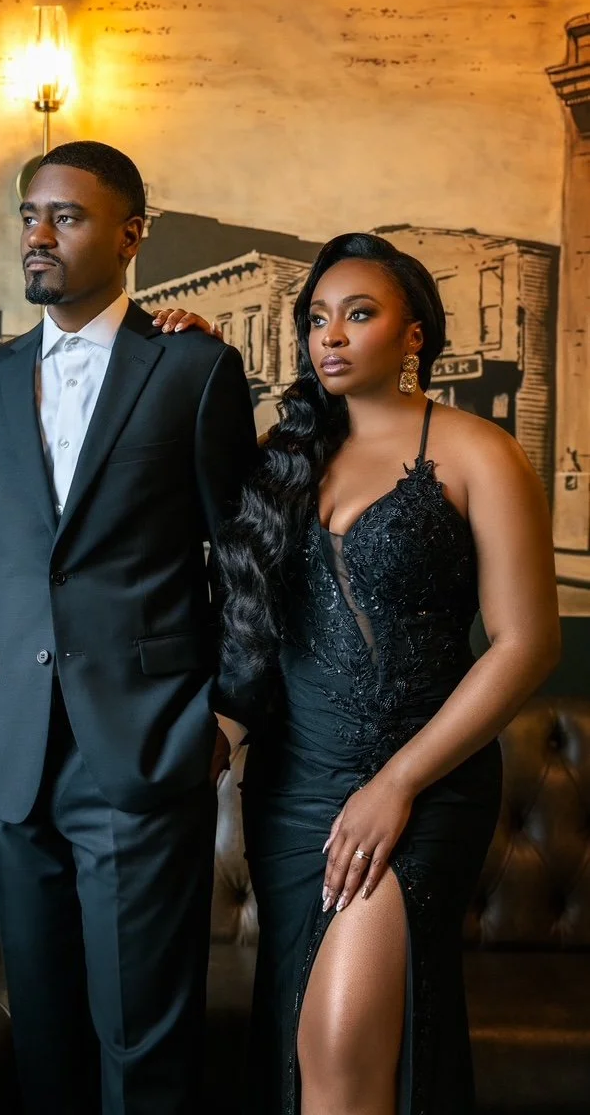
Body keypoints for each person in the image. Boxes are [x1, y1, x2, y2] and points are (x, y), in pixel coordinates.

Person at [0, 141, 258, 1115]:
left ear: (132, 233)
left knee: (144, 1051)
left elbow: (249, 561)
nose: (39, 234)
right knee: (44, 1048)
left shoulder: (192, 368)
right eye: (29, 216)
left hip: (142, 756)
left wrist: (220, 720)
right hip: (10, 766)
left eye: (68, 215)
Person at [158, 231, 560, 1114]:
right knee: (310, 1051)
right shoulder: (282, 457)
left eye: (359, 314)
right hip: (291, 789)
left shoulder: (479, 452)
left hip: (418, 790)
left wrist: (397, 784)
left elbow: (527, 644)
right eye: (316, 319)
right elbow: (251, 630)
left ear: (414, 334)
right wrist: (187, 361)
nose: (329, 335)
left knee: (342, 1049)